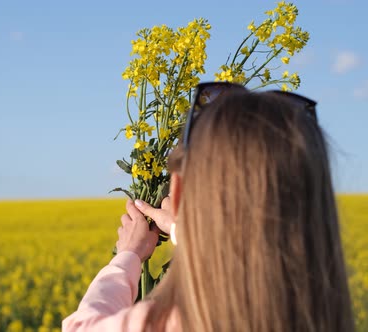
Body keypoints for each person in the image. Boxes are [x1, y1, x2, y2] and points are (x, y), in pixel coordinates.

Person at [62, 82, 354, 332]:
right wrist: (182, 229)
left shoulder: (169, 323)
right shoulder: (317, 318)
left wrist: (127, 256)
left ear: (176, 194)